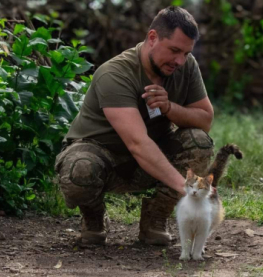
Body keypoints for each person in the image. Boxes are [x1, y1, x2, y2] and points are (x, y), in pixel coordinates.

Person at [55, 6, 214, 246]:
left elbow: (206, 119)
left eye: (185, 53)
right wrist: (189, 190)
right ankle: (94, 218)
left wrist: (169, 107)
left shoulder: (186, 65)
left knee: (199, 141)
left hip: (151, 159)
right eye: (174, 50)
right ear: (152, 38)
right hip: (105, 159)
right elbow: (137, 143)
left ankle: (155, 220)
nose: (180, 60)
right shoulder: (115, 73)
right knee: (80, 168)